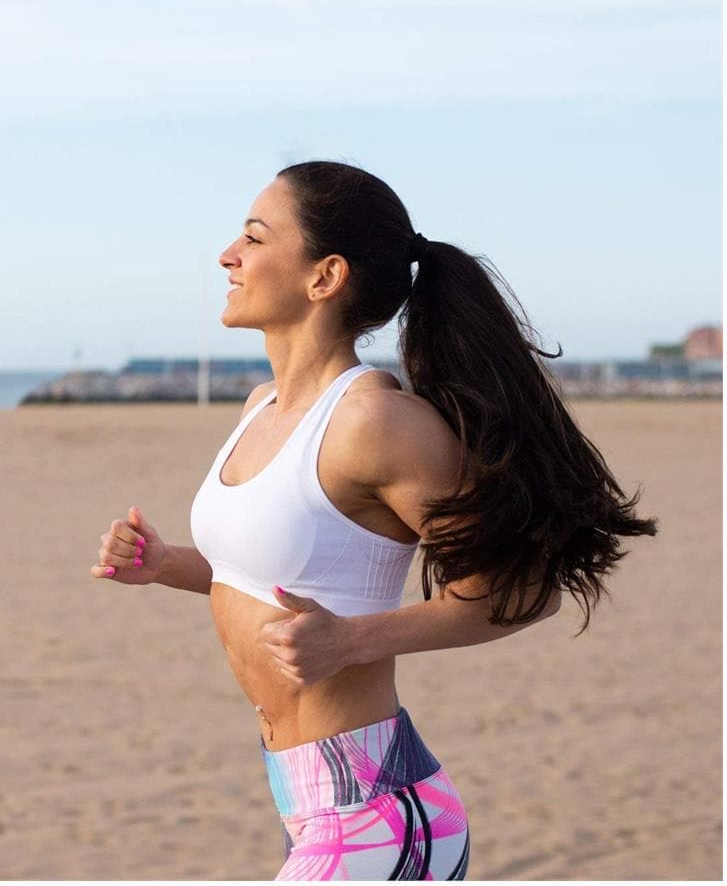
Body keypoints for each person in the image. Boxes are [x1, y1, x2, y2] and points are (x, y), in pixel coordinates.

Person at [89, 161, 658, 880]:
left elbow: (525, 590)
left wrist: (353, 643)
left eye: (255, 238)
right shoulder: (260, 407)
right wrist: (167, 565)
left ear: (324, 277)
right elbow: (283, 580)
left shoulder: (374, 422)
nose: (227, 255)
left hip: (380, 815)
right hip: (305, 801)